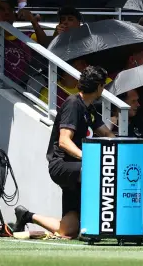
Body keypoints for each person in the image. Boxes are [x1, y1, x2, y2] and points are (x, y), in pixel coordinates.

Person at [13, 66, 114, 238]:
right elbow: (64, 141)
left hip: (77, 168)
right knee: (97, 171)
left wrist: (122, 147)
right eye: (103, 85)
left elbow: (106, 133)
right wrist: (88, 159)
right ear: (98, 86)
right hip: (62, 165)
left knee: (68, 230)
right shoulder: (73, 104)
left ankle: (26, 216)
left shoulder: (88, 108)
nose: (103, 89)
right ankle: (100, 224)